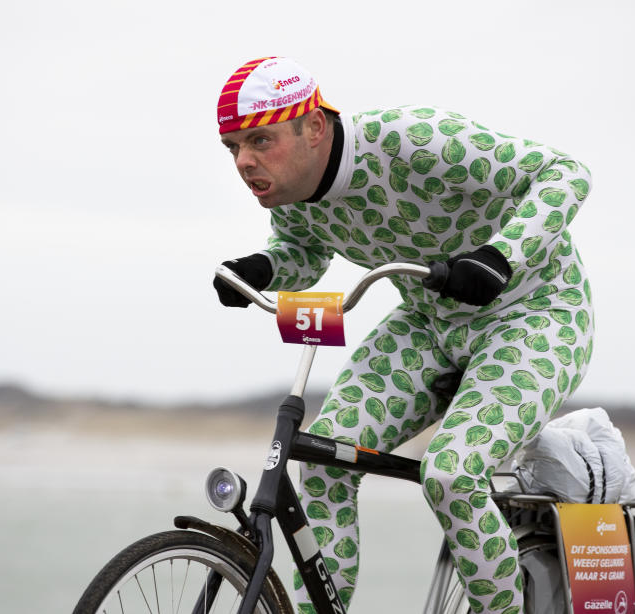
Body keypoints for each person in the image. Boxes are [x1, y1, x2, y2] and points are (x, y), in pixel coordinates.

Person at [213, 56, 594, 614]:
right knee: (321, 462)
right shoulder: (292, 196)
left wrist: (499, 257)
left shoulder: (415, 140)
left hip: (534, 313)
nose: (244, 162)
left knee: (452, 475)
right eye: (232, 149)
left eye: (260, 141)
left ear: (314, 127)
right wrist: (264, 269)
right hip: (429, 321)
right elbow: (304, 251)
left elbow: (566, 173)